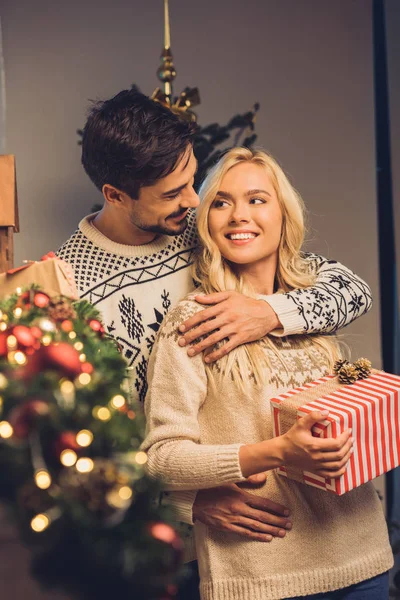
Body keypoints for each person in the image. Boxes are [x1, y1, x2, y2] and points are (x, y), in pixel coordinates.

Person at [56, 88, 374, 598]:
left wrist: (269, 311)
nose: (195, 200)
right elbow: (74, 449)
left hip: (299, 537)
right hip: (164, 545)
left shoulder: (206, 229)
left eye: (193, 180)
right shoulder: (68, 292)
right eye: (173, 192)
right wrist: (186, 502)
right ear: (115, 195)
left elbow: (347, 290)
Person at [142, 147, 393, 600]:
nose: (239, 215)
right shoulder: (194, 320)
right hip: (261, 577)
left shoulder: (314, 302)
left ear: (284, 215)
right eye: (221, 201)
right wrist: (276, 452)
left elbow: (359, 294)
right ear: (206, 220)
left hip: (364, 559)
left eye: (257, 199)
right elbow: (161, 458)